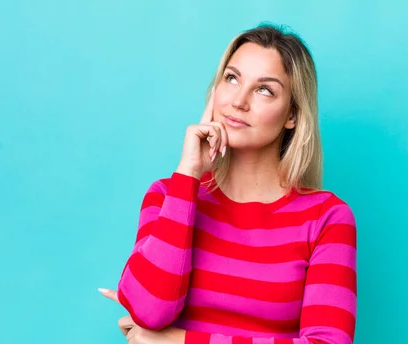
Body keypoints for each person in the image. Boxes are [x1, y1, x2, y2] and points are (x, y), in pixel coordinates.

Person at [99, 23, 357, 344]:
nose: (238, 101)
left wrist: (178, 341)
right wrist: (189, 174)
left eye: (264, 89)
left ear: (292, 115)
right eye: (232, 78)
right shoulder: (168, 194)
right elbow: (150, 312)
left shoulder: (326, 217)